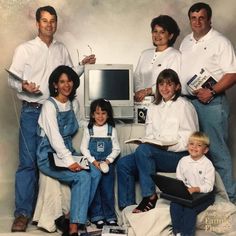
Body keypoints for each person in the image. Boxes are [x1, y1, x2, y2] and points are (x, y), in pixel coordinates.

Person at [8, 5, 95, 232]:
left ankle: (53, 214)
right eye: (44, 21)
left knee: (53, 157)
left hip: (57, 112)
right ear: (37, 23)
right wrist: (23, 85)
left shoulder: (61, 49)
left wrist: (83, 67)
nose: (49, 25)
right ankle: (23, 214)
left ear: (56, 23)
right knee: (28, 164)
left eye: (52, 21)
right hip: (32, 109)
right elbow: (12, 80)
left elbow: (67, 78)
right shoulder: (25, 49)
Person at [117, 69, 199, 212]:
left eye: (169, 84)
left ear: (177, 87)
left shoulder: (184, 106)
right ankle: (127, 208)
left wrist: (166, 147)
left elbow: (190, 138)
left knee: (144, 151)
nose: (164, 88)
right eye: (161, 84)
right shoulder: (154, 106)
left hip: (178, 156)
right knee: (124, 163)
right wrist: (146, 141)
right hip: (155, 154)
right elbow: (149, 133)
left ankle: (150, 197)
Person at [180, 2, 236, 203]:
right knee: (195, 151)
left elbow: (232, 73)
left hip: (211, 104)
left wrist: (211, 91)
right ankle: (205, 197)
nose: (197, 22)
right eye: (193, 18)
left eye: (201, 18)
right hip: (189, 103)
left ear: (209, 19)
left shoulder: (220, 41)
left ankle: (230, 200)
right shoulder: (185, 41)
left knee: (217, 151)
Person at [37, 65, 100, 236]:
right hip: (49, 155)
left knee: (96, 171)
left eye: (69, 81)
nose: (67, 85)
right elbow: (55, 138)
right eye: (62, 82)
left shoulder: (73, 103)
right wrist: (70, 161)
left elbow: (78, 124)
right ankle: (73, 228)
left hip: (67, 150)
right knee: (82, 176)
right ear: (55, 85)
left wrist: (99, 123)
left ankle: (69, 215)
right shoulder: (49, 106)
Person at [80, 98, 121, 229]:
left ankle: (110, 216)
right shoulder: (89, 129)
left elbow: (116, 148)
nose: (100, 116)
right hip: (93, 164)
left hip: (107, 164)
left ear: (108, 115)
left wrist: (108, 161)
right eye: (97, 113)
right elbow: (83, 148)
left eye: (103, 113)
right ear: (92, 114)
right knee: (96, 190)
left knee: (107, 191)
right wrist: (93, 161)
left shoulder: (111, 130)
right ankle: (97, 216)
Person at [170, 131, 215, 236]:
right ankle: (177, 232)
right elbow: (179, 179)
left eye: (199, 145)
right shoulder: (183, 161)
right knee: (175, 204)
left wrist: (195, 189)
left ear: (205, 150)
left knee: (189, 208)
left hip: (204, 195)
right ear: (187, 145)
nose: (194, 147)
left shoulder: (208, 165)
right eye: (191, 144)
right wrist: (182, 188)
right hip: (187, 192)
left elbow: (209, 186)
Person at [134, 15, 181, 102]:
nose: (157, 35)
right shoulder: (145, 54)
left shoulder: (175, 55)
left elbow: (171, 81)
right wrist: (139, 91)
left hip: (163, 101)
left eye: (162, 32)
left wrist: (148, 91)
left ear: (170, 35)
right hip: (141, 101)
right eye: (155, 31)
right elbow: (137, 76)